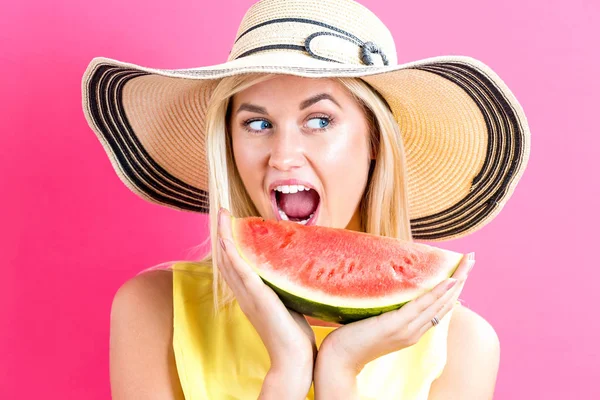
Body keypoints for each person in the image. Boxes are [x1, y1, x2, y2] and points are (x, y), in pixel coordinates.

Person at [82, 0, 530, 398]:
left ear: (374, 138)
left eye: (318, 120)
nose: (282, 156)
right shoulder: (156, 310)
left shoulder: (461, 346)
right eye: (257, 124)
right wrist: (288, 370)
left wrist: (339, 371)